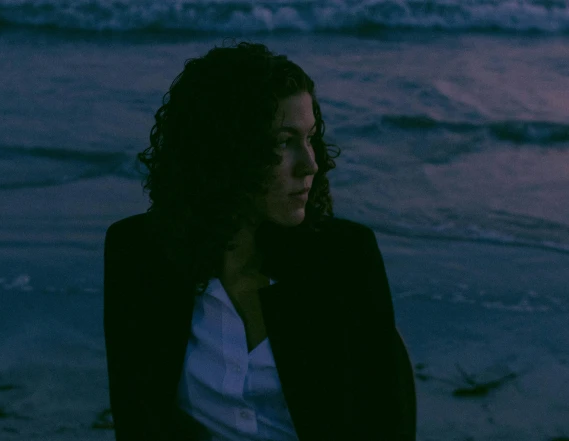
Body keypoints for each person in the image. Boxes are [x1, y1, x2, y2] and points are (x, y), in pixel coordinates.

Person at [103, 40, 416, 441]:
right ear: (223, 151)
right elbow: (138, 420)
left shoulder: (344, 260)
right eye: (283, 142)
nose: (310, 164)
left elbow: (386, 426)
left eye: (310, 138)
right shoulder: (140, 254)